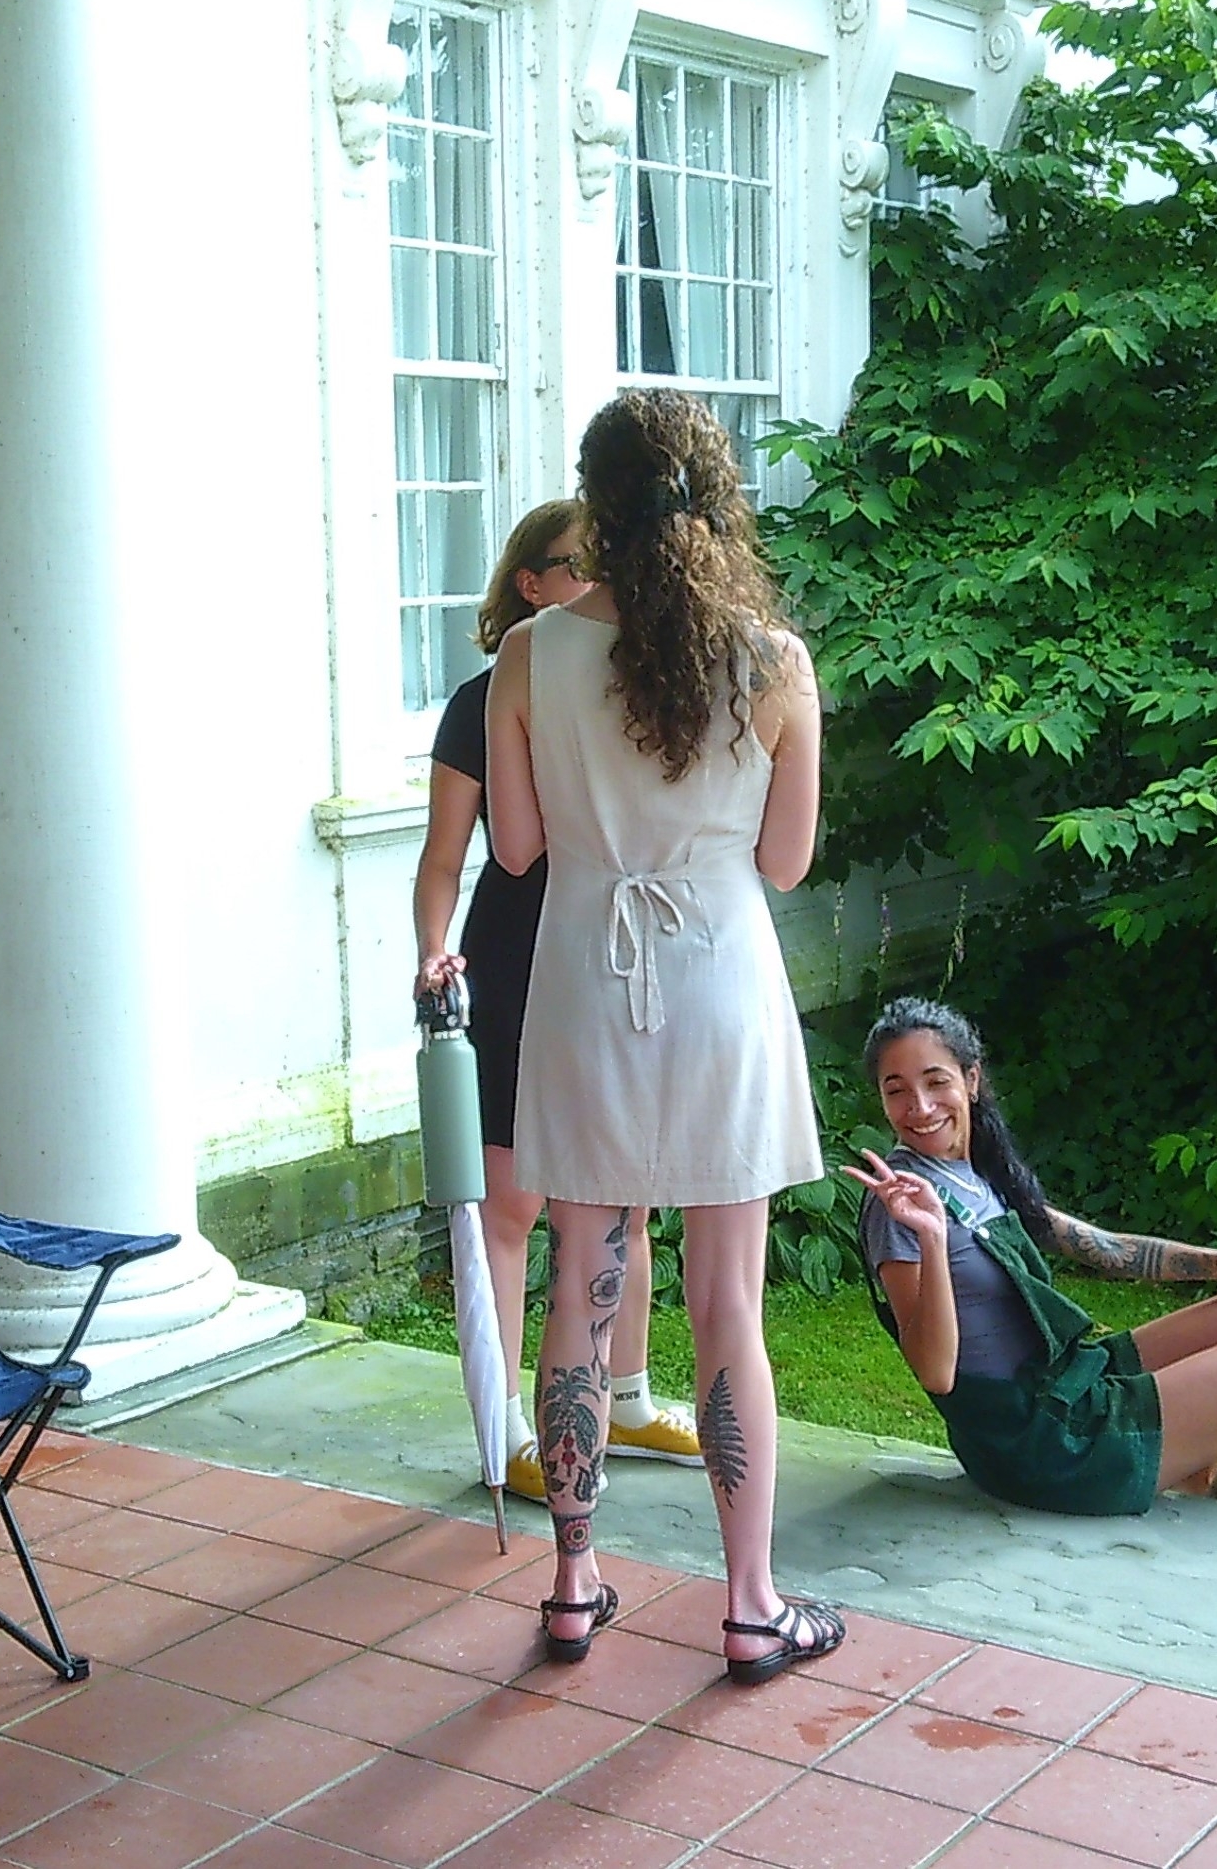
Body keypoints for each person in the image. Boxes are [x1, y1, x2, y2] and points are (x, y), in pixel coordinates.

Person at [486, 392, 843, 1682]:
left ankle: (575, 1582)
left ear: (595, 498)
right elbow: (788, 862)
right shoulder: (774, 661)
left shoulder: (530, 654)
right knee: (724, 1299)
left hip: (587, 972)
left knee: (581, 1280)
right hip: (717, 979)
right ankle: (750, 1602)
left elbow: (518, 849)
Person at [413, 501, 703, 1504]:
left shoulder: (637, 685)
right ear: (529, 585)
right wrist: (432, 955)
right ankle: (501, 1433)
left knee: (628, 1190)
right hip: (516, 951)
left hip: (616, 951)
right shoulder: (483, 697)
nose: (595, 583)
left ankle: (624, 1398)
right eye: (574, 566)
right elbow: (447, 858)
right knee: (510, 1202)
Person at [850, 996, 1217, 1517]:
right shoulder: (899, 1203)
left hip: (1070, 1381)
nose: (920, 1108)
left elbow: (1110, 1250)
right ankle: (1215, 1513)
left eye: (936, 1082)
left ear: (971, 1081)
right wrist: (931, 1235)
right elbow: (935, 1372)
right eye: (896, 1091)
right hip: (1043, 1443)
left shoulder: (978, 1176)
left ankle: (1197, 1477)